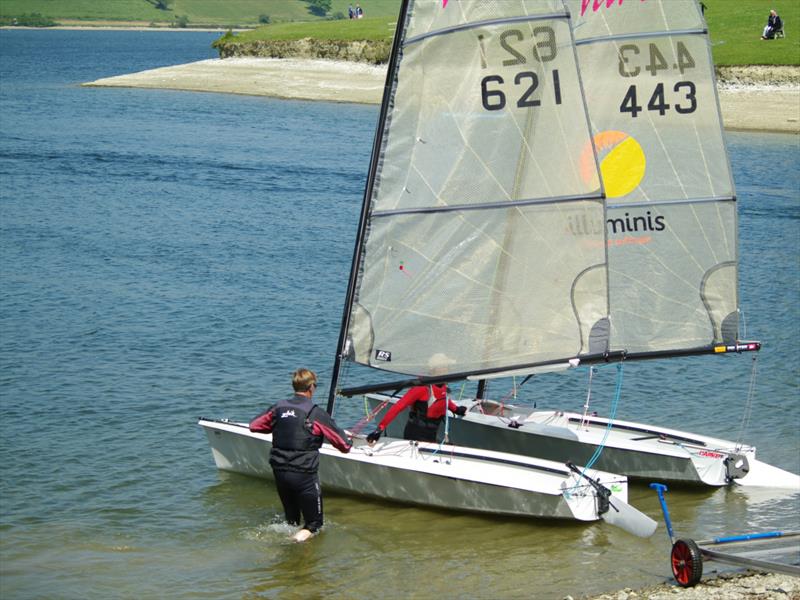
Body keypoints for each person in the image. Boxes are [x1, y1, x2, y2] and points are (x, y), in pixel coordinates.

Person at [249, 368, 352, 542]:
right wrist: (345, 439)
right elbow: (344, 446)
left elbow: (255, 425)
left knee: (292, 521)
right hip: (303, 474)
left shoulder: (279, 407)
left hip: (279, 471)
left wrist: (281, 425)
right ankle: (291, 545)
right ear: (311, 387)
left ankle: (289, 558)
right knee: (314, 525)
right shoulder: (316, 413)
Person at [366, 354, 467, 444]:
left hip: (431, 435)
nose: (449, 369)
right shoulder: (421, 388)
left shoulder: (442, 386)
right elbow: (398, 407)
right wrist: (380, 429)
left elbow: (443, 401)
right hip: (415, 436)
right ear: (437, 369)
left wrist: (457, 410)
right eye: (447, 366)